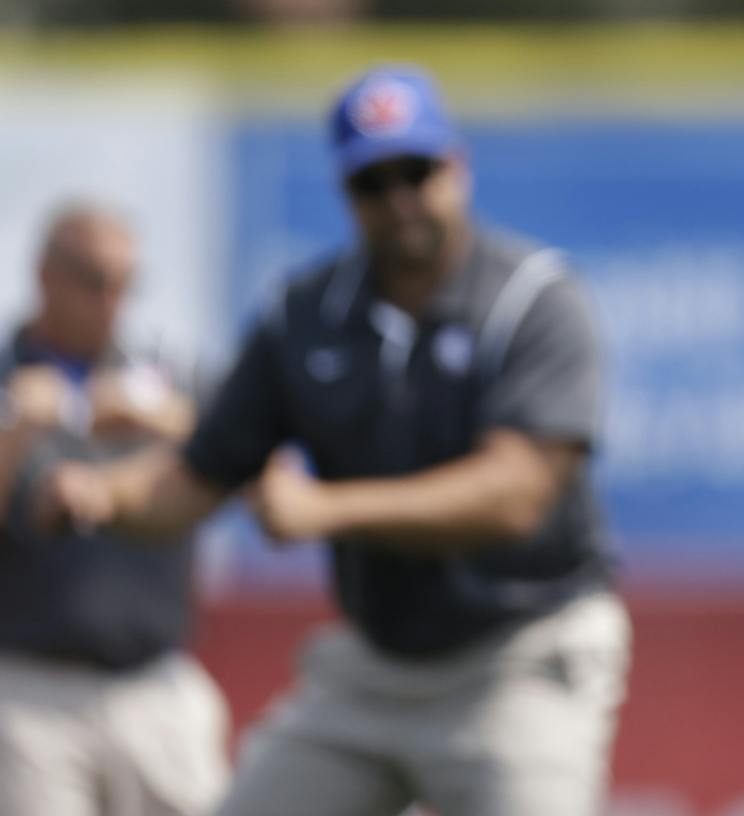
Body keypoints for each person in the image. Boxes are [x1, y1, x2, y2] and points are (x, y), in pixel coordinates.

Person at [34, 65, 629, 816]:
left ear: (458, 167)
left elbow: (514, 495)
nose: (401, 200)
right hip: (377, 667)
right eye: (374, 183)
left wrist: (327, 509)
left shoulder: (533, 301)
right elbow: (203, 469)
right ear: (347, 193)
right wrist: (102, 493)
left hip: (521, 656)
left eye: (417, 171)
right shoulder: (307, 313)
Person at [0, 203, 228, 816]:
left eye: (125, 282)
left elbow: (249, 463)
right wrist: (17, 436)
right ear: (46, 273)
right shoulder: (7, 379)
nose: (111, 300)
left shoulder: (164, 374)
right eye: (92, 279)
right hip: (28, 691)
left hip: (153, 681)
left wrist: (167, 420)